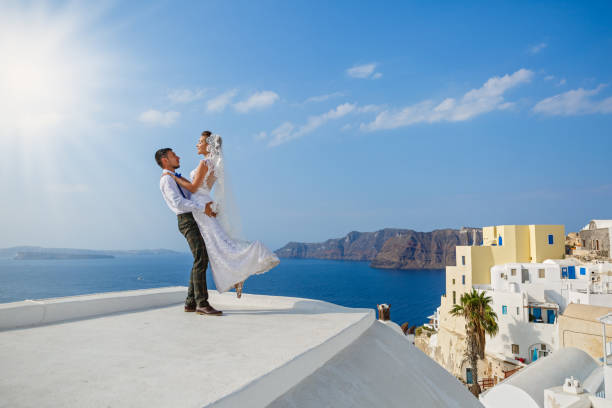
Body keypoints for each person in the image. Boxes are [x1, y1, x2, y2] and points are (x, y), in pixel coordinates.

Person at [169, 130, 279, 298]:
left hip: (201, 207)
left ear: (208, 146)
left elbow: (193, 188)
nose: (197, 144)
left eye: (200, 141)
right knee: (219, 245)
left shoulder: (204, 162)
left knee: (217, 246)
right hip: (206, 203)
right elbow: (202, 186)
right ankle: (238, 276)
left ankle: (253, 256)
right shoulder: (215, 164)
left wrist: (174, 177)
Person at [156, 147, 223, 316]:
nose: (178, 157)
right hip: (186, 221)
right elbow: (179, 203)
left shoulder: (175, 178)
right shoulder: (166, 180)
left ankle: (191, 302)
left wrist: (207, 206)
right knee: (201, 258)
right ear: (165, 160)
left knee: (200, 258)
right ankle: (201, 303)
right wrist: (202, 207)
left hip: (193, 218)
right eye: (173, 155)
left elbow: (192, 195)